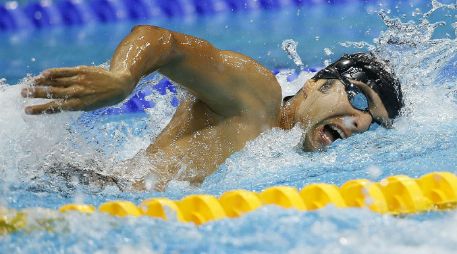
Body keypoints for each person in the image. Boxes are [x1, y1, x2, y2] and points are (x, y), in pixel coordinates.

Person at [21, 25, 403, 191]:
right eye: (359, 99)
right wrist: (123, 79)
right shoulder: (257, 97)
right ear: (319, 82)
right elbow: (163, 41)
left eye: (373, 121)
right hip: (92, 191)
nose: (359, 123)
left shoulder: (287, 155)